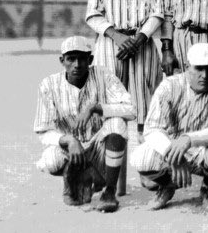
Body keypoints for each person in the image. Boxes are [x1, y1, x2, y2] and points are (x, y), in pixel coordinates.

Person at [33, 36, 136, 212]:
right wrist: (69, 141)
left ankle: (109, 191)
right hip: (71, 151)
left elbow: (131, 110)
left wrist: (95, 107)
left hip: (99, 146)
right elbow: (43, 131)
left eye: (82, 58)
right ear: (62, 60)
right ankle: (83, 173)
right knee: (50, 160)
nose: (77, 64)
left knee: (117, 123)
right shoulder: (49, 85)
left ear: (90, 59)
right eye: (71, 58)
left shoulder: (103, 75)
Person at [130, 43, 208, 212]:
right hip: (172, 149)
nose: (205, 75)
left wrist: (189, 140)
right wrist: (172, 155)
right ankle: (167, 186)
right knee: (141, 157)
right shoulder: (169, 85)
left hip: (203, 149)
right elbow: (152, 128)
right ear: (186, 67)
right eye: (198, 68)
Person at [85, 0, 165, 137]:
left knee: (145, 104)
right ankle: (111, 165)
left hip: (143, 44)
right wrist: (117, 36)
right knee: (109, 103)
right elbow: (92, 14)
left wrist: (139, 39)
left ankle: (145, 163)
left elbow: (158, 13)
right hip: (111, 43)